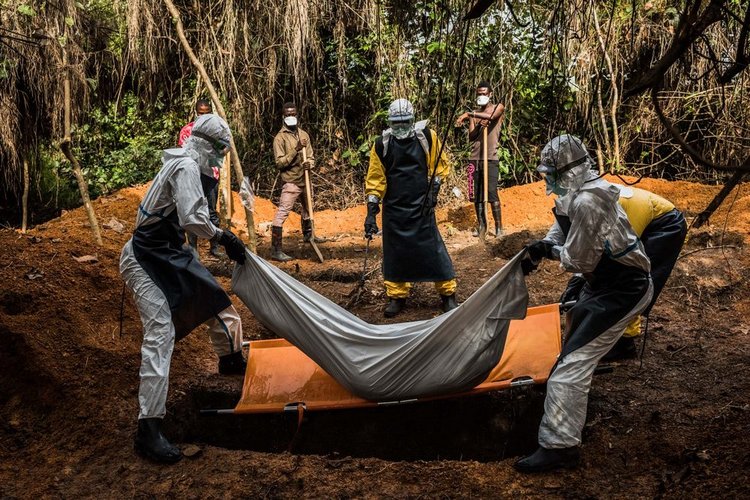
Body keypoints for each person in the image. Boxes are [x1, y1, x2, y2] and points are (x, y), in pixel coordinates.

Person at [514, 135, 653, 473]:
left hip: (624, 287)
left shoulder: (590, 200)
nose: (547, 181)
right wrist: (544, 243)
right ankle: (571, 397)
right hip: (603, 283)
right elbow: (562, 227)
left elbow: (577, 260)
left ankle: (560, 446)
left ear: (570, 172)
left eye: (552, 175)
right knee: (573, 334)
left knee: (569, 368)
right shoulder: (573, 195)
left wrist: (547, 252)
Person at [120, 114, 248, 464]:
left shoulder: (190, 166)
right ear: (205, 145)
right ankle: (148, 428)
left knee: (212, 295)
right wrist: (223, 236)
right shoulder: (186, 167)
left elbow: (192, 216)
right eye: (220, 150)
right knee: (160, 332)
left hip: (171, 251)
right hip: (145, 257)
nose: (222, 157)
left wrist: (218, 231)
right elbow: (193, 218)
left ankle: (231, 358)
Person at [562, 186, 687, 360]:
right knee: (616, 279)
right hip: (648, 222)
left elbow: (623, 258)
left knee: (632, 281)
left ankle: (624, 343)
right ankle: (614, 332)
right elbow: (590, 249)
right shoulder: (592, 204)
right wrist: (578, 279)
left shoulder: (617, 209)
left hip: (666, 226)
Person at [364, 98, 458, 318]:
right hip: (394, 209)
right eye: (396, 124)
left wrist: (433, 192)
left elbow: (439, 166)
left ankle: (447, 295)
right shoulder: (381, 144)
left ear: (412, 120)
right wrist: (371, 212)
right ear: (389, 123)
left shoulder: (426, 137)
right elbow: (376, 179)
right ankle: (397, 296)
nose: (401, 128)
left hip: (421, 204)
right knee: (396, 254)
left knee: (433, 250)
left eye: (405, 122)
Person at [270, 102, 325, 261]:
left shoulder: (304, 135)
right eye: (288, 115)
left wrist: (310, 164)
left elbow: (311, 156)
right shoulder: (280, 138)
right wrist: (296, 149)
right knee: (283, 212)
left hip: (305, 179)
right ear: (283, 117)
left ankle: (309, 236)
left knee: (308, 208)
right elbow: (280, 163)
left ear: (297, 115)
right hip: (291, 181)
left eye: (293, 114)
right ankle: (276, 250)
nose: (291, 117)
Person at [455, 81, 505, 237]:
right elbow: (471, 137)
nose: (481, 96)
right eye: (479, 93)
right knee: (476, 195)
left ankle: (498, 228)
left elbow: (491, 116)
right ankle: (482, 226)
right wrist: (477, 124)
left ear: (490, 94)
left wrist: (469, 114)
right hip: (475, 159)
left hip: (490, 158)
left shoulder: (498, 107)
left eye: (484, 93)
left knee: (491, 193)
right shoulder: (475, 114)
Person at [178, 99, 225, 259]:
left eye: (206, 114)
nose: (203, 116)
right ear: (196, 112)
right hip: (192, 178)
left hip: (210, 177)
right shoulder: (187, 131)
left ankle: (215, 247)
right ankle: (193, 248)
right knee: (192, 210)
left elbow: (220, 153)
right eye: (200, 113)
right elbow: (184, 154)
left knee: (211, 211)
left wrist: (214, 171)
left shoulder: (216, 131)